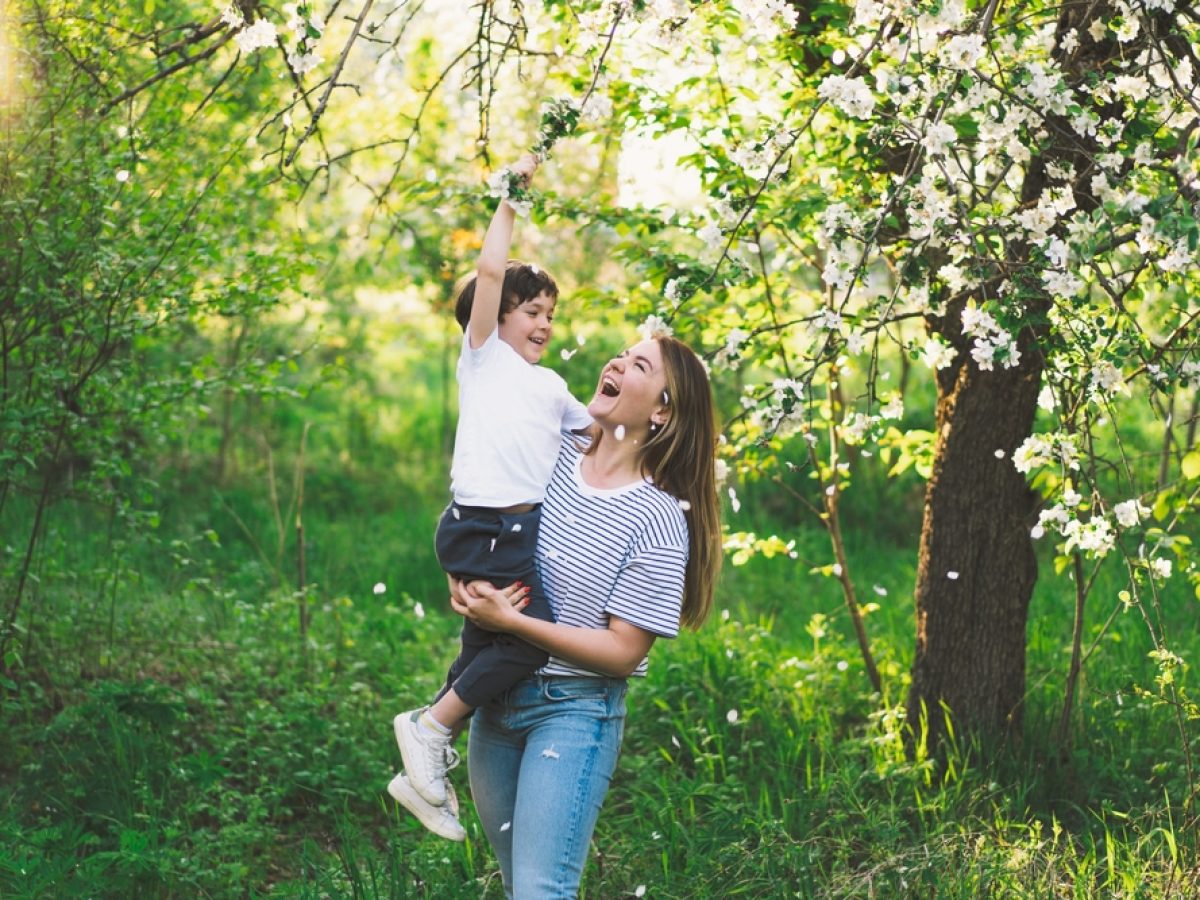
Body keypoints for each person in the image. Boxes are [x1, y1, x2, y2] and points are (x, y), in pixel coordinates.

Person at [446, 332, 723, 898]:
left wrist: (514, 624)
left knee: (540, 891)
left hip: (573, 713)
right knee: (517, 883)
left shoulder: (659, 518)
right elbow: (487, 511)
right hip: (494, 700)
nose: (617, 362)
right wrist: (466, 575)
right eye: (623, 353)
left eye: (639, 364)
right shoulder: (552, 449)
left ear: (663, 410)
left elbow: (623, 653)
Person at [388, 154, 592, 842]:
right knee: (526, 645)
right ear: (497, 315)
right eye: (532, 310)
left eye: (551, 315)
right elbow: (487, 272)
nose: (544, 324)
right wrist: (510, 201)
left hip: (512, 531)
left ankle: (421, 768)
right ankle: (428, 726)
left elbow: (600, 436)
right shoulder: (484, 358)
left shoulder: (552, 385)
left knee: (484, 639)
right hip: (485, 526)